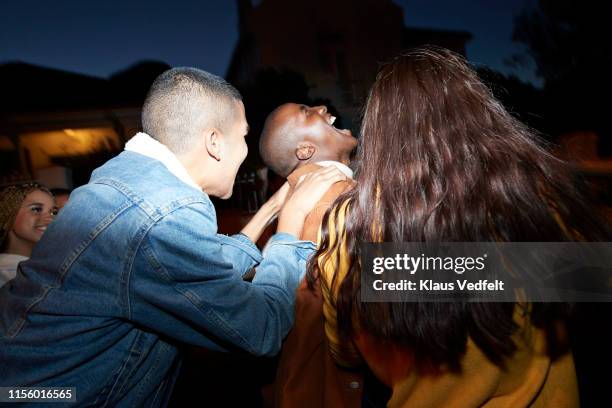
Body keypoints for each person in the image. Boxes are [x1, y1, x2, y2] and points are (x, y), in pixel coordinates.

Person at [0, 67, 347, 406]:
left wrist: (271, 209)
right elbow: (262, 328)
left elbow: (196, 268)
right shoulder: (161, 217)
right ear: (214, 142)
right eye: (242, 137)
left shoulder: (122, 183)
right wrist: (289, 226)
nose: (245, 151)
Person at [311, 47, 609, 407]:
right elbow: (588, 284)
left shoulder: (351, 225)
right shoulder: (531, 199)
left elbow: (347, 353)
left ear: (379, 130)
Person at [259, 103, 365, 407]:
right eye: (306, 112)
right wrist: (499, 274)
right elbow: (356, 315)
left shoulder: (301, 196)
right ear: (305, 150)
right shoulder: (335, 196)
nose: (321, 107)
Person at [0, 182, 56, 286]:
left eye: (53, 212)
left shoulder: (49, 266)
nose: (50, 219)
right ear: (9, 214)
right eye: (36, 209)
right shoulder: (5, 276)